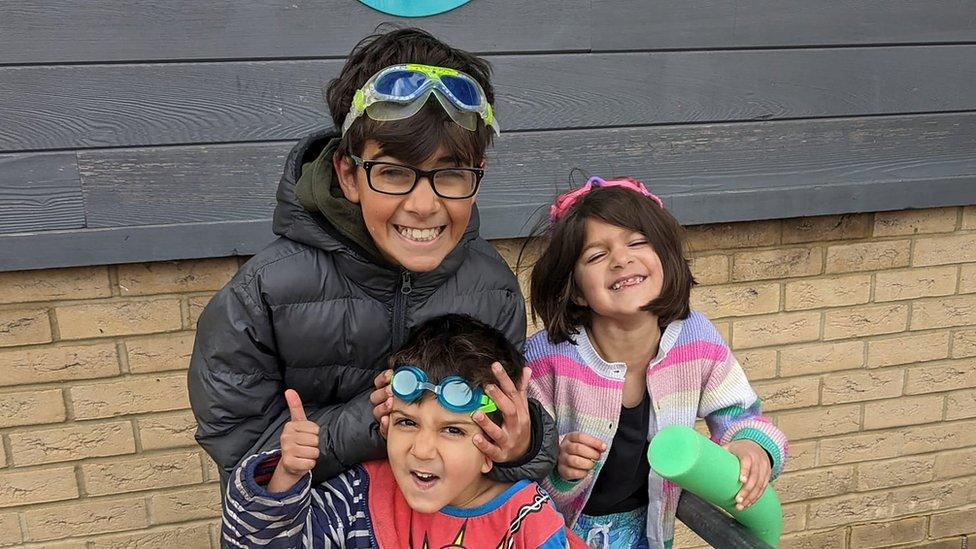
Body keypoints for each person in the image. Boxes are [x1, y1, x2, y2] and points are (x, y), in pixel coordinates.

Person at [187, 27, 557, 492]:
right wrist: (372, 418)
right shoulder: (262, 296)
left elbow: (502, 417)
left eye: (452, 174)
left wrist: (523, 445)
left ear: (476, 177)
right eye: (394, 173)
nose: (424, 205)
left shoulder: (494, 288)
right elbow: (243, 460)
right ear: (348, 175)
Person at [523, 177, 789, 548]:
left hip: (646, 533)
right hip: (552, 534)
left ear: (665, 258)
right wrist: (558, 464)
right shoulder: (545, 359)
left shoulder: (696, 340)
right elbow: (516, 460)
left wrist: (750, 447)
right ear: (577, 291)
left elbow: (742, 415)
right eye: (597, 255)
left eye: (637, 242)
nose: (621, 259)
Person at [222, 315, 585, 548]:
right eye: (408, 422)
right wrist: (286, 474)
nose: (422, 450)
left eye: (453, 431)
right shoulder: (357, 497)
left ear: (493, 444)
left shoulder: (526, 520)